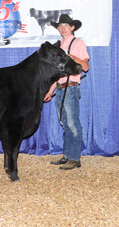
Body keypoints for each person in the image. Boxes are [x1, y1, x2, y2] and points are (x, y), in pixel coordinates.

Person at [44, 14, 89, 170]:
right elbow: (59, 74)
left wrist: (74, 57)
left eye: (66, 26)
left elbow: (86, 67)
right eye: (60, 26)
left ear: (72, 27)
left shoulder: (78, 43)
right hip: (60, 88)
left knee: (73, 124)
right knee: (65, 124)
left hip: (71, 89)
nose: (63, 29)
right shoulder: (58, 46)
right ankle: (67, 156)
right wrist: (50, 91)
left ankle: (75, 158)